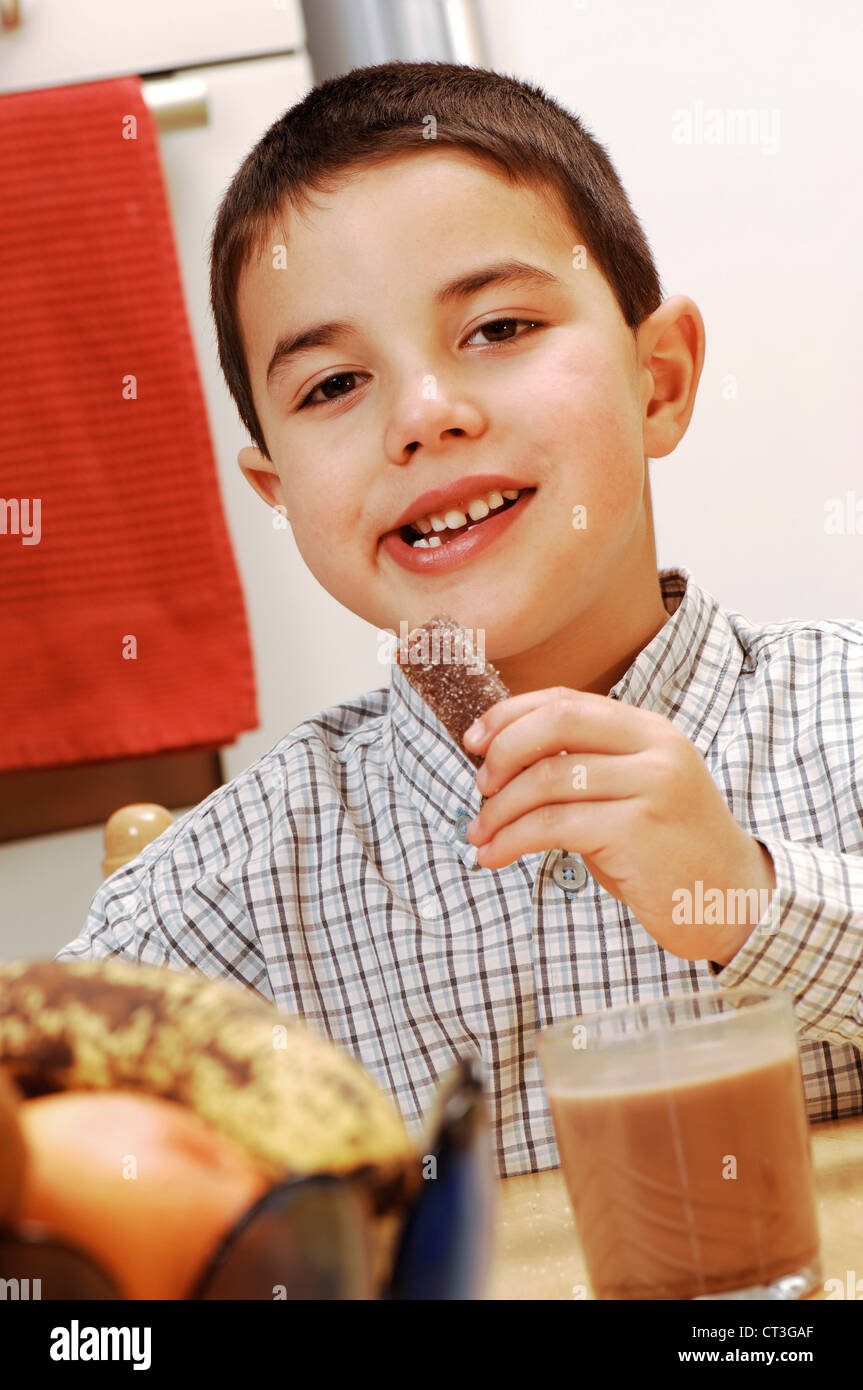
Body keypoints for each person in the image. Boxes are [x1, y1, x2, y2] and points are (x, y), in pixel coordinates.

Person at [57, 61, 863, 1177]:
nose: (424, 415)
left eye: (496, 327)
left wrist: (749, 896)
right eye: (334, 385)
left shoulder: (844, 721)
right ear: (278, 493)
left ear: (659, 380)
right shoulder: (230, 886)